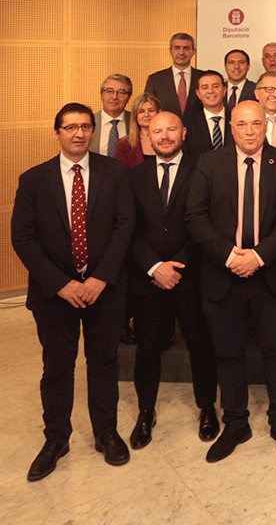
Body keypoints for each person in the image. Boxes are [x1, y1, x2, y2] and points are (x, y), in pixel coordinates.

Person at [12, 103, 135, 481]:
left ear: (93, 131)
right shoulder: (33, 179)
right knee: (57, 368)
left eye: (85, 127)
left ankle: (105, 432)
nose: (79, 134)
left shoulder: (114, 172)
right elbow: (24, 239)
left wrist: (100, 278)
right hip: (55, 294)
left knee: (104, 363)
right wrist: (62, 284)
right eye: (70, 128)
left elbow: (125, 225)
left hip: (104, 290)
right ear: (57, 133)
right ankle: (56, 439)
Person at [185, 100, 276, 463]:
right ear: (232, 127)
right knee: (228, 353)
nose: (250, 131)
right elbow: (195, 216)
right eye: (242, 124)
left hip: (271, 274)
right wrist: (230, 256)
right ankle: (235, 423)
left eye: (257, 124)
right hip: (223, 275)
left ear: (266, 127)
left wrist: (257, 255)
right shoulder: (209, 162)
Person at [127, 112, 218, 451]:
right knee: (147, 348)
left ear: (183, 133)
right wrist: (154, 266)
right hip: (148, 278)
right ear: (148, 136)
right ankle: (145, 411)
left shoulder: (203, 169)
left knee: (199, 346)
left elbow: (208, 221)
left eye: (170, 131)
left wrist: (177, 265)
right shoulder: (132, 177)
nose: (163, 137)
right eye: (156, 131)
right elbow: (127, 228)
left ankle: (207, 407)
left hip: (191, 274)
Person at [144, 33, 200, 117]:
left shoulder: (203, 77)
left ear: (194, 51)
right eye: (177, 48)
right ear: (170, 51)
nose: (181, 52)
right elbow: (149, 109)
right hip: (165, 128)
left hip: (198, 129)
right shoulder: (155, 80)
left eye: (186, 48)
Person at [184, 70, 230, 156]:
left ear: (224, 90)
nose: (210, 91)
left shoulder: (236, 119)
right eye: (205, 87)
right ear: (198, 94)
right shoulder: (187, 123)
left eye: (216, 86)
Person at [115, 92, 160, 169]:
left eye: (151, 110)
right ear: (136, 116)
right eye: (141, 111)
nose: (146, 115)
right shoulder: (124, 144)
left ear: (159, 112)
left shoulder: (169, 140)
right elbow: (120, 176)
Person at [92, 74, 133, 157]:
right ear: (101, 95)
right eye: (109, 91)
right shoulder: (89, 122)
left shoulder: (136, 121)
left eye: (121, 92)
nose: (114, 97)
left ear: (128, 98)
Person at [223, 48, 256, 115]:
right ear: (225, 67)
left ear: (248, 67)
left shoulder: (257, 90)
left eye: (241, 62)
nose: (236, 66)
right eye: (231, 63)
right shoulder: (218, 90)